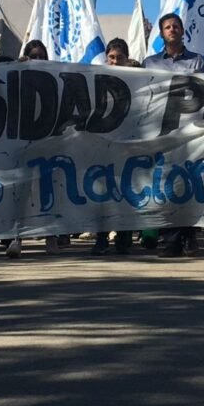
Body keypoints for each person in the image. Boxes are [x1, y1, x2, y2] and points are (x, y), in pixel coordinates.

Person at [142, 14, 204, 257]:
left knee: (187, 185)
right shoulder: (149, 64)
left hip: (190, 134)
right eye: (168, 27)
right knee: (166, 186)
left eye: (176, 26)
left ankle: (183, 236)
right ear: (162, 34)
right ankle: (174, 239)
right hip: (160, 133)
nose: (172, 30)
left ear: (183, 31)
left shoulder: (198, 62)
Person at [92, 39, 138, 255]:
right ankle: (101, 238)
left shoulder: (139, 80)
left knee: (125, 192)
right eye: (111, 57)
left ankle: (123, 238)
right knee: (102, 194)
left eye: (119, 57)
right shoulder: (97, 81)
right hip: (103, 145)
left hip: (128, 145)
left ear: (126, 59)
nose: (115, 61)